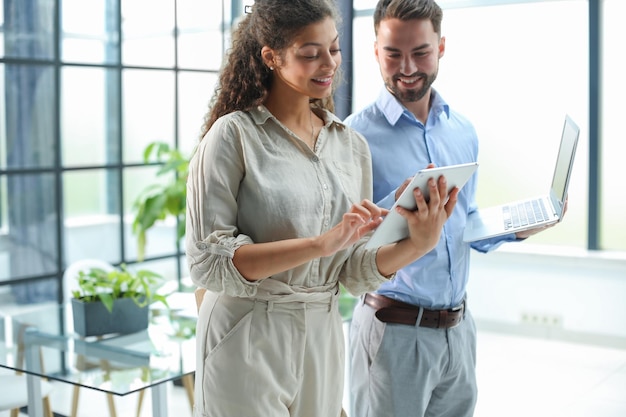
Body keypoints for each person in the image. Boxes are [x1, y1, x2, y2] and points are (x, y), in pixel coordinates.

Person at [184, 1, 459, 416]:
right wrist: (319, 244)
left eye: (333, 49)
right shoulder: (233, 136)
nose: (328, 64)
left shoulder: (350, 146)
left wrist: (418, 240)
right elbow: (209, 263)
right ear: (271, 57)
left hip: (322, 337)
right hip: (246, 335)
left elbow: (351, 273)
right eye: (309, 54)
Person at [345, 1, 562, 416]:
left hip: (458, 331)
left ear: (441, 47)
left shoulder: (462, 130)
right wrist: (402, 206)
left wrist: (517, 227)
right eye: (393, 54)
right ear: (375, 51)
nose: (407, 67)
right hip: (394, 333)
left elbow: (465, 222)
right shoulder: (355, 137)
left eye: (420, 52)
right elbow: (348, 245)